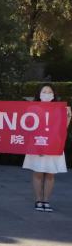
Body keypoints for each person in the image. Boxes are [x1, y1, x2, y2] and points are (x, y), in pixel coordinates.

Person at [23, 83, 71, 212]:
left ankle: (46, 200)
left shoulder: (59, 108)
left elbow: (63, 128)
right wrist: (38, 145)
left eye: (50, 92)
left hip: (54, 144)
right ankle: (38, 200)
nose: (47, 94)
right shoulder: (32, 108)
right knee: (37, 172)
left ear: (54, 95)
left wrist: (69, 116)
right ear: (39, 94)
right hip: (37, 143)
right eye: (44, 92)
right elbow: (28, 128)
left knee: (50, 174)